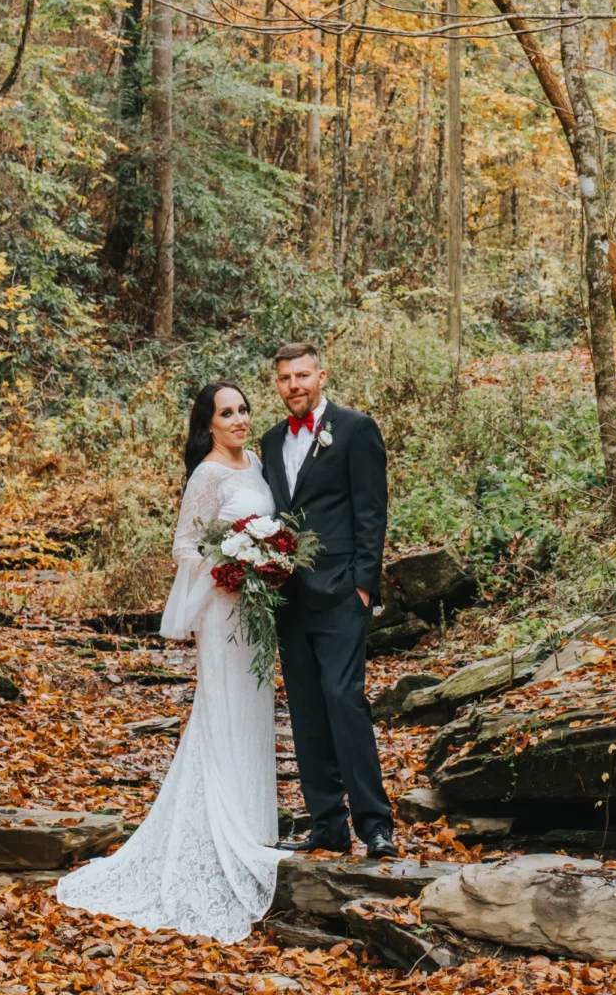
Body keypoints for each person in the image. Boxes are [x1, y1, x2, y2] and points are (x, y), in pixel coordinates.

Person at [55, 381, 289, 944]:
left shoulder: (255, 461)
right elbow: (185, 544)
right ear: (207, 424)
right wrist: (230, 570)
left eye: (241, 410)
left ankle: (254, 829)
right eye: (225, 413)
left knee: (254, 715)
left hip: (256, 616)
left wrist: (268, 559)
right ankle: (215, 836)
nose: (238, 419)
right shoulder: (207, 474)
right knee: (223, 712)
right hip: (223, 612)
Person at [259, 342, 396, 859]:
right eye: (284, 378)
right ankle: (327, 824)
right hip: (287, 597)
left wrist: (365, 584)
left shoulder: (356, 429)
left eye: (302, 376)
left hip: (341, 591)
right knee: (307, 709)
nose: (293, 385)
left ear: (321, 376)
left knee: (344, 700)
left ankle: (375, 823)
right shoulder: (271, 442)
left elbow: (371, 511)